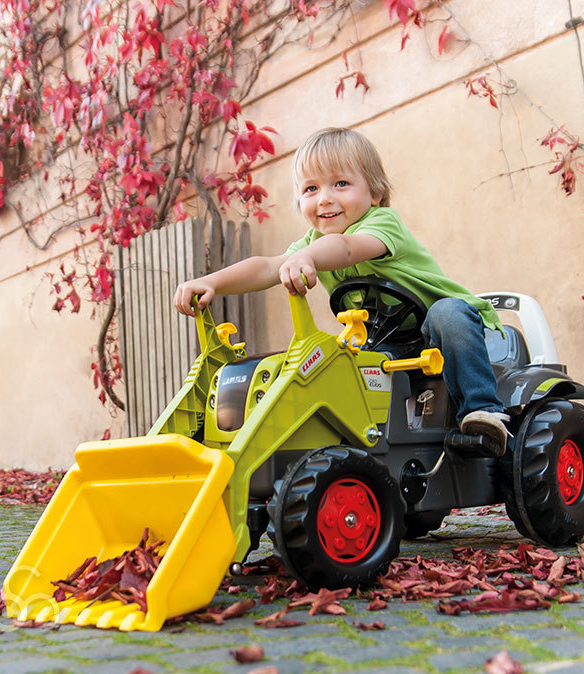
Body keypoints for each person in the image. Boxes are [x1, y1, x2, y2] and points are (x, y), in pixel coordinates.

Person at [174, 127, 510, 453]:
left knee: (447, 312)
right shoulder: (313, 243)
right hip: (386, 343)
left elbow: (347, 248)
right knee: (337, 363)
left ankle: (483, 411)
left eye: (341, 183)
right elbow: (266, 267)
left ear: (375, 193)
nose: (325, 199)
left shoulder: (382, 222)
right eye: (310, 189)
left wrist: (307, 256)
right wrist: (212, 282)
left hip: (438, 332)